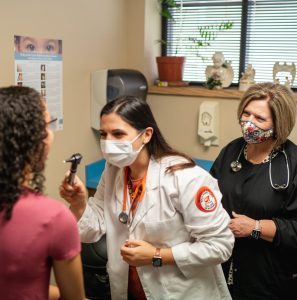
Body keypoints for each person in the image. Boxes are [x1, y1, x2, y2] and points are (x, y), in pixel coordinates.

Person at [59, 96, 234, 300]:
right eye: (103, 134)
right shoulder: (113, 170)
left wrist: (157, 255)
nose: (108, 143)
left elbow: (220, 245)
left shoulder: (186, 177)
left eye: (118, 134)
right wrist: (78, 203)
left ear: (146, 135)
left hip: (182, 292)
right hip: (129, 289)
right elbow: (93, 229)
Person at [210, 82, 297, 300]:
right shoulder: (232, 151)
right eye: (246, 113)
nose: (249, 122)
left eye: (259, 119)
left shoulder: (295, 164)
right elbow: (208, 194)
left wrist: (255, 228)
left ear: (279, 123)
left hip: (269, 277)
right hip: (221, 267)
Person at [0, 86, 85, 300]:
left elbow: (18, 282)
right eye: (48, 125)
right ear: (33, 139)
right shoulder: (53, 217)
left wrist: (77, 209)